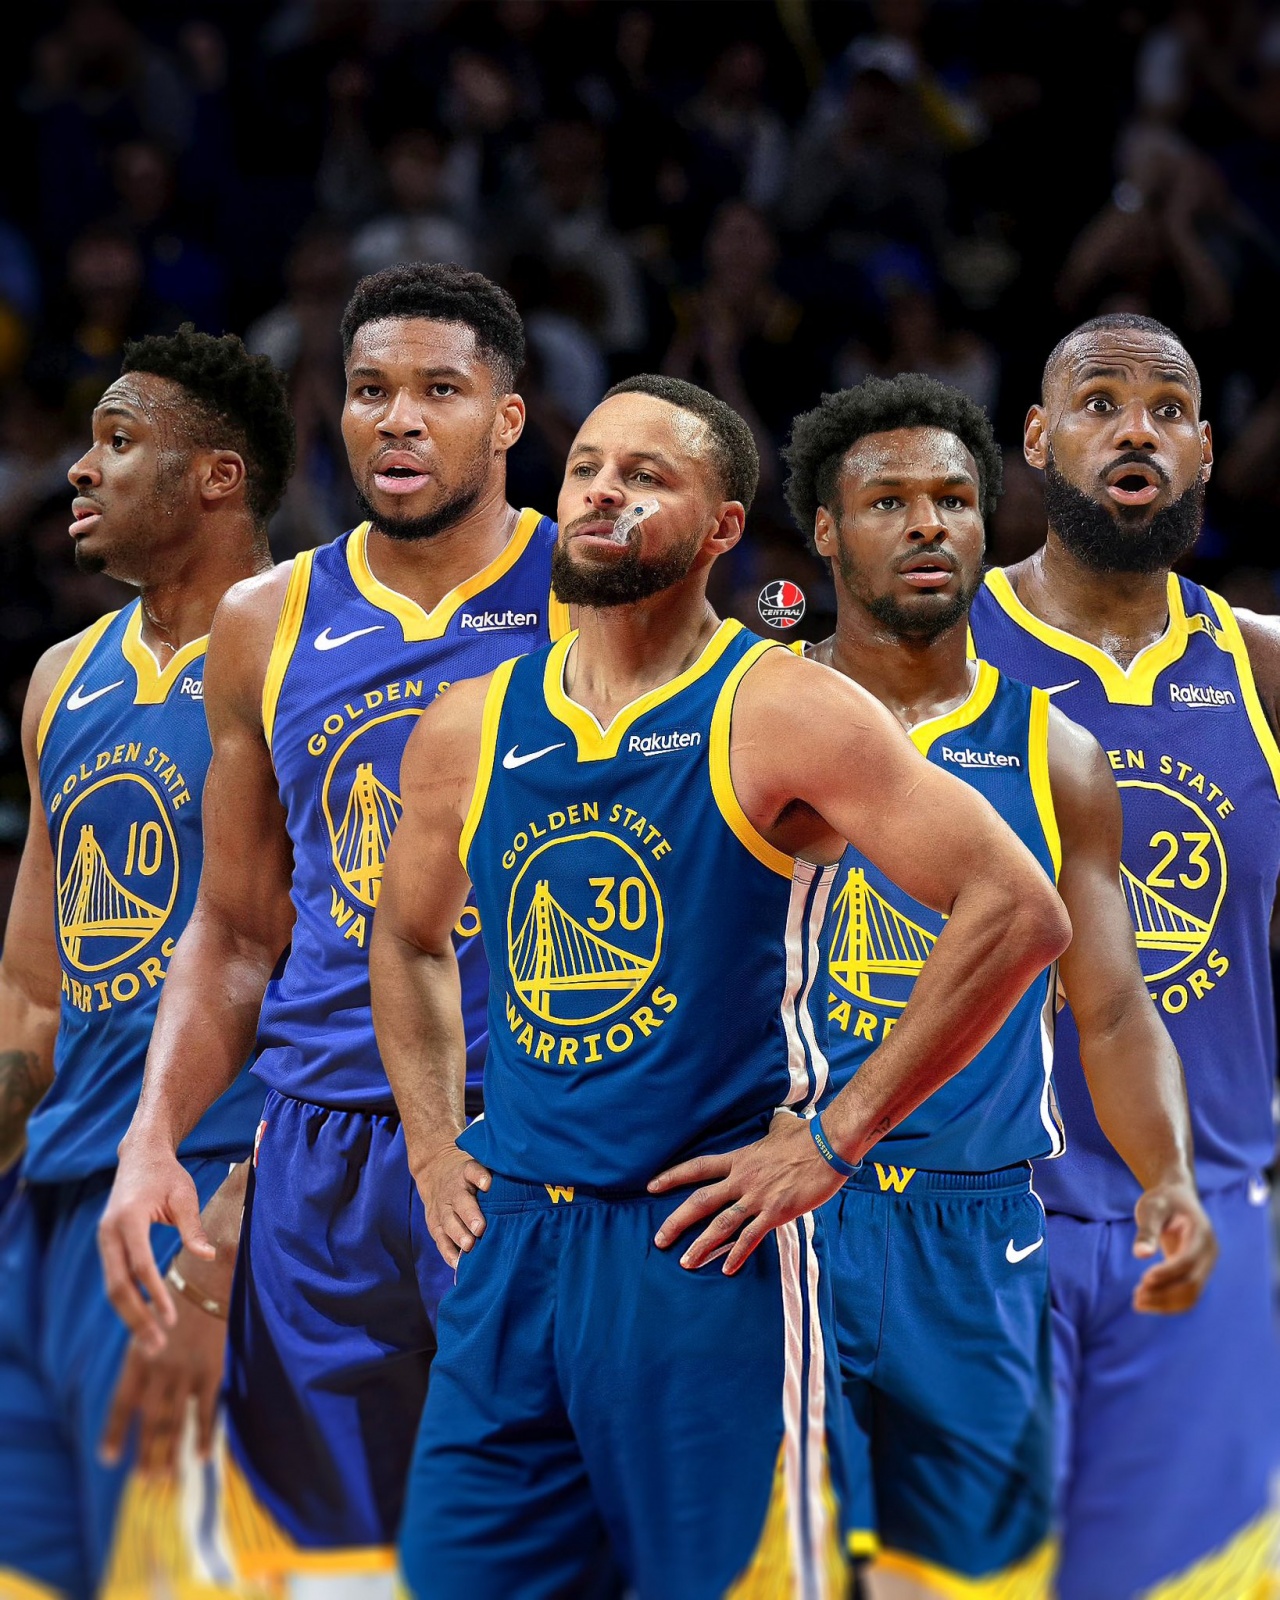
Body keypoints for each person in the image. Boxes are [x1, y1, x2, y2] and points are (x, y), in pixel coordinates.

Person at [369, 373, 1071, 1598]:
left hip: (704, 1247)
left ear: (720, 528)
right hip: (516, 1244)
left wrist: (838, 1138)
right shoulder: (465, 726)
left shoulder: (789, 709)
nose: (602, 493)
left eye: (644, 476)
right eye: (586, 469)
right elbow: (409, 939)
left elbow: (1016, 908)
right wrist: (432, 1143)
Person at [96, 263, 566, 1585]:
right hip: (320, 1160)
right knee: (333, 1562)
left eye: (438, 390)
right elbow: (237, 926)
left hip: (526, 1138)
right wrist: (153, 1136)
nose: (397, 418)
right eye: (369, 391)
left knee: (533, 1546)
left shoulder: (592, 593)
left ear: (508, 418)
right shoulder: (263, 621)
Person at [784, 373, 1216, 1599]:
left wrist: (1165, 1172)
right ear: (824, 531)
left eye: (953, 498)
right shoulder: (748, 715)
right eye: (887, 501)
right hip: (782, 1210)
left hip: (974, 1230)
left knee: (965, 1584)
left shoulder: (1056, 753)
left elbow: (1111, 1005)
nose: (927, 523)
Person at [968, 311, 1280, 1599]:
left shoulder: (1260, 666)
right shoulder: (926, 646)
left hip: (1205, 1217)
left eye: (1164, 409)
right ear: (1037, 440)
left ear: (1201, 450)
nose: (1133, 430)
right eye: (1098, 404)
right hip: (975, 1212)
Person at [0, 327, 293, 1600]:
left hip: (207, 1196)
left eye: (118, 442)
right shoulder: (61, 678)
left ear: (217, 477)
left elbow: (355, 976)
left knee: (171, 1573)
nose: (80, 469)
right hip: (50, 1206)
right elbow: (32, 988)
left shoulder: (310, 659)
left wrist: (241, 1223)